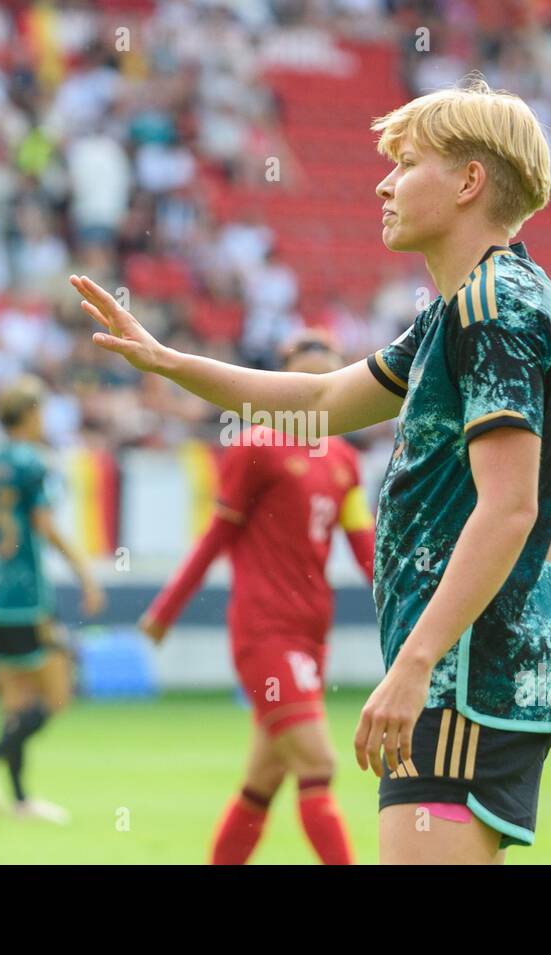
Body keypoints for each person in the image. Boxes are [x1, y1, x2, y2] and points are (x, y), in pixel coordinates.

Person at [71, 76, 551, 864]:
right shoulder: (468, 307)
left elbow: (508, 507)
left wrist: (416, 665)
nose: (383, 181)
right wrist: (170, 362)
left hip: (463, 670)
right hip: (475, 662)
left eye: (407, 163)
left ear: (470, 180)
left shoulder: (491, 308)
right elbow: (320, 396)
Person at [139, 330, 375, 865]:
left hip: (313, 633)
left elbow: (366, 550)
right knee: (318, 763)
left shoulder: (343, 461)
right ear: (282, 383)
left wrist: (409, 606)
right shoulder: (256, 445)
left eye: (327, 381)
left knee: (263, 781)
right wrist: (166, 610)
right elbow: (216, 537)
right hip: (264, 631)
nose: (317, 393)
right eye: (305, 380)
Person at [0, 376, 106, 823]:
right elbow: (45, 527)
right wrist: (85, 574)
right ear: (31, 414)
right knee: (57, 694)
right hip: (26, 598)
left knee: (17, 702)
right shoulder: (33, 463)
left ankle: (20, 799)